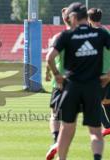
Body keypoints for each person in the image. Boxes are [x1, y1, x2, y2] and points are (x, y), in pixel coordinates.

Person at [46, 2, 110, 160]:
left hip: (71, 87)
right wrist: (108, 74)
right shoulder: (100, 34)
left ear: (73, 17)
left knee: (66, 129)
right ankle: (97, 158)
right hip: (93, 87)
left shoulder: (66, 36)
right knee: (95, 132)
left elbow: (50, 57)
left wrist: (56, 74)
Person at [45, 7, 72, 160]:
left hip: (59, 82)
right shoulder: (85, 37)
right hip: (78, 83)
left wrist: (49, 73)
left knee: (55, 114)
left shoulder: (58, 37)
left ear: (64, 19)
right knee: (71, 119)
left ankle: (56, 141)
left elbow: (50, 58)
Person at [88, 8, 110, 137]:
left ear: (89, 19)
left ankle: (107, 126)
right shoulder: (106, 32)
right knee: (106, 101)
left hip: (99, 73)